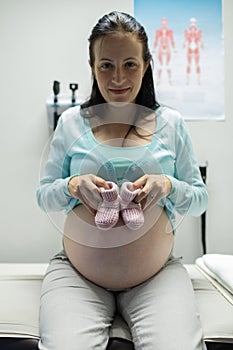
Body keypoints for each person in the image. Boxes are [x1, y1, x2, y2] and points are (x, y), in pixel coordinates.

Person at [37, 11, 208, 350]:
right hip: (78, 276)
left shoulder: (171, 124)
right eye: (106, 65)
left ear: (146, 65)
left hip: (155, 276)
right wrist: (72, 186)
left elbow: (200, 199)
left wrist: (169, 186)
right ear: (92, 66)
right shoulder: (71, 123)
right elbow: (44, 196)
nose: (117, 77)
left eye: (129, 64)